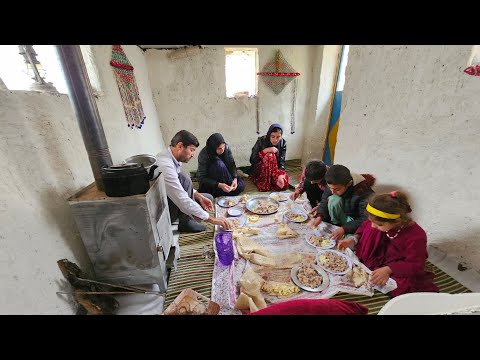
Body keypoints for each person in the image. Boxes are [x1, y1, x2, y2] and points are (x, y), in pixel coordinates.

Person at [338, 191, 439, 298]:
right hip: (382, 256)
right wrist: (354, 239)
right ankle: (373, 264)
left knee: (401, 287)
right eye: (371, 221)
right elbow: (364, 227)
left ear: (397, 221)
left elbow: (416, 264)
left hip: (399, 264)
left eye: (379, 224)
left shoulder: (416, 236)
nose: (373, 225)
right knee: (371, 230)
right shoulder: (378, 222)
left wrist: (388, 269)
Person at [154, 130, 231, 233]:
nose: (193, 155)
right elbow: (181, 199)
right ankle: (185, 222)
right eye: (191, 150)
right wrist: (212, 219)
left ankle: (192, 212)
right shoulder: (165, 165)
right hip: (165, 210)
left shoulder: (171, 158)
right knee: (184, 178)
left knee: (208, 198)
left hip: (173, 197)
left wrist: (198, 195)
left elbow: (178, 187)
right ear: (180, 146)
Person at [309, 164, 375, 241]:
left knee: (349, 242)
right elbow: (324, 201)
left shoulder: (364, 193)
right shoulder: (333, 183)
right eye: (330, 188)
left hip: (353, 219)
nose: (332, 191)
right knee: (333, 199)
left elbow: (365, 219)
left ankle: (343, 229)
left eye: (337, 189)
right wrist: (320, 216)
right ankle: (336, 223)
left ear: (349, 184)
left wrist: (344, 229)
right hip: (342, 214)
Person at [197, 133, 245, 198]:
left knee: (241, 185)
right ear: (213, 148)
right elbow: (202, 178)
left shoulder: (226, 148)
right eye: (219, 148)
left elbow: (232, 164)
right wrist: (219, 185)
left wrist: (235, 179)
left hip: (226, 177)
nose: (222, 150)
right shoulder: (204, 155)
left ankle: (226, 190)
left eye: (223, 147)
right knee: (219, 164)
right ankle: (224, 190)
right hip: (213, 181)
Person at [249, 123, 289, 192]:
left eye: (278, 137)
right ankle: (266, 182)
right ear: (269, 135)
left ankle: (272, 180)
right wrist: (265, 151)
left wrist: (280, 175)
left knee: (283, 184)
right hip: (260, 170)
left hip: (274, 170)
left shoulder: (283, 143)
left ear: (281, 136)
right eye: (273, 137)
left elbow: (281, 163)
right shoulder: (261, 141)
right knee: (270, 155)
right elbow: (252, 160)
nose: (275, 140)